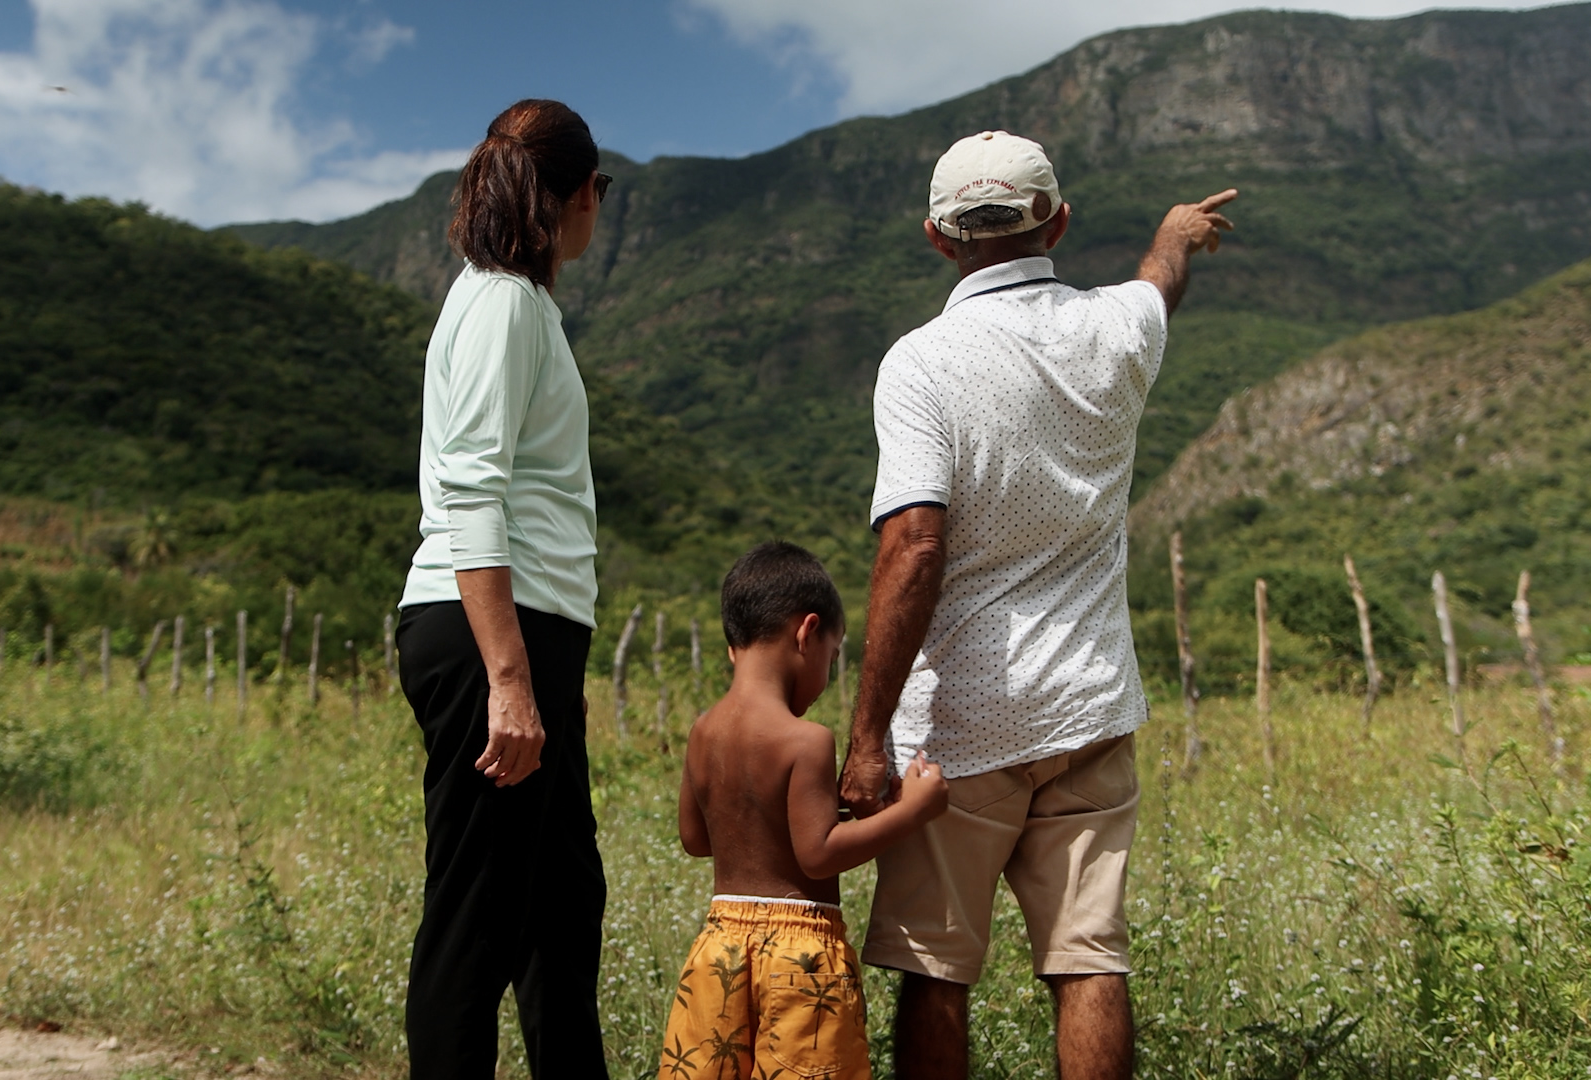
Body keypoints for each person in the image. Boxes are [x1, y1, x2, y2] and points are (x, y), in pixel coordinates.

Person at [837, 131, 1237, 1080]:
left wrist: (865, 736)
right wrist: (1176, 233)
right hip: (1091, 707)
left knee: (935, 970)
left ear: (938, 237)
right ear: (1057, 222)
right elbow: (1159, 284)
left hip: (958, 729)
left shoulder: (921, 364)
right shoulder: (1117, 331)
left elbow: (914, 545)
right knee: (1088, 961)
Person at [395, 98, 617, 1080]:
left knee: (561, 903)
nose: (599, 208)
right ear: (576, 196)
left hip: (528, 628)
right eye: (599, 190)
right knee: (478, 918)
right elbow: (471, 490)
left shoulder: (519, 308)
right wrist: (510, 681)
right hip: (491, 626)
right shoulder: (501, 306)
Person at [659, 541, 949, 1080]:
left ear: (731, 646)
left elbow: (696, 839)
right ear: (807, 632)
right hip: (801, 961)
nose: (828, 671)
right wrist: (914, 810)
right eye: (833, 655)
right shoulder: (807, 740)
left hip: (717, 953)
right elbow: (818, 855)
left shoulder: (704, 730)